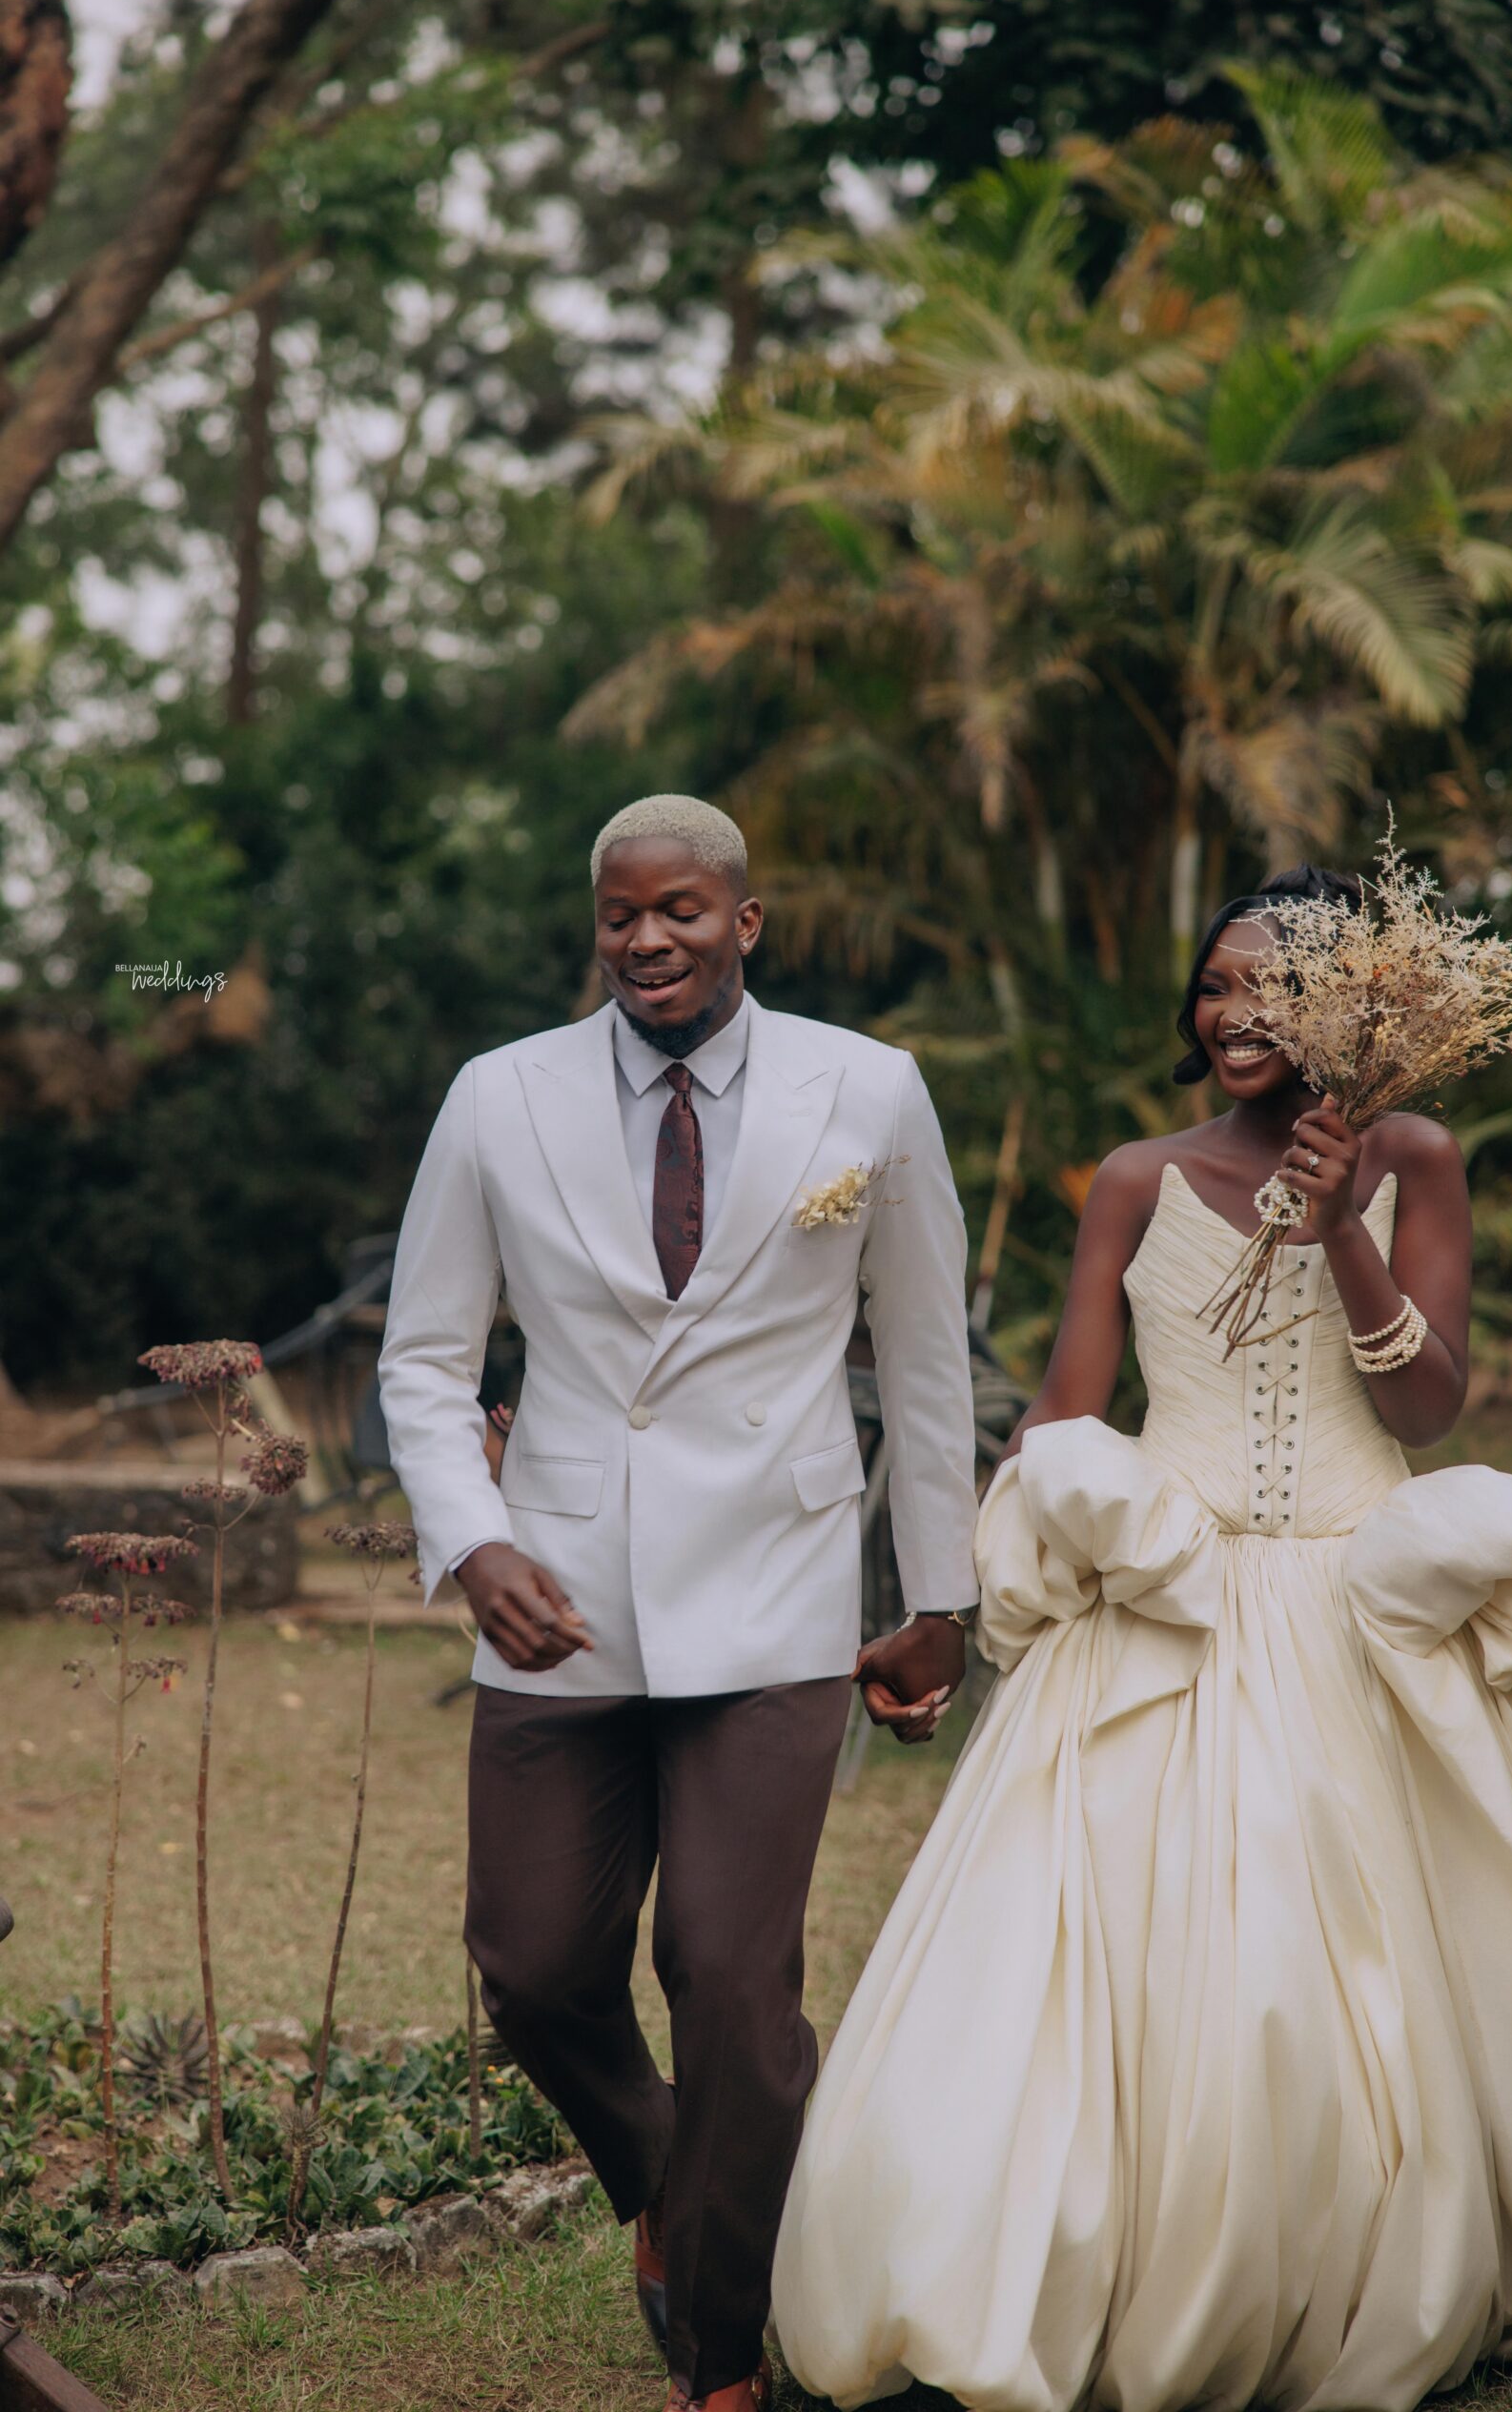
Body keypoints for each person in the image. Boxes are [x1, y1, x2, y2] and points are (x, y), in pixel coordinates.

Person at [772, 866, 1512, 2412]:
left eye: (1276, 987)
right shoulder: (1134, 1178)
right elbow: (1064, 1411)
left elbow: (1430, 1403)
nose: (1235, 1013)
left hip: (1360, 1605)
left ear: (1353, 1010)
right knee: (1092, 1965)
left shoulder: (1415, 1159)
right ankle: (1061, 2270)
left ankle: (1361, 2260)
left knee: (1359, 1966)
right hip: (1164, 1603)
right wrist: (967, 1596)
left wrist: (1340, 1225)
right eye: (1219, 984)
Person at [376, 793, 979, 2412]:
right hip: (558, 1596)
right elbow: (425, 1361)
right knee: (533, 1966)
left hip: (779, 1596)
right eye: (620, 915)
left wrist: (941, 1596)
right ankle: (671, 2175)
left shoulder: (870, 1088)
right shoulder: (499, 1096)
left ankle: (720, 2361)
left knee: (728, 1978)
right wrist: (475, 1543)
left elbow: (923, 1361)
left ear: (744, 920)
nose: (647, 939)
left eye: (681, 911)